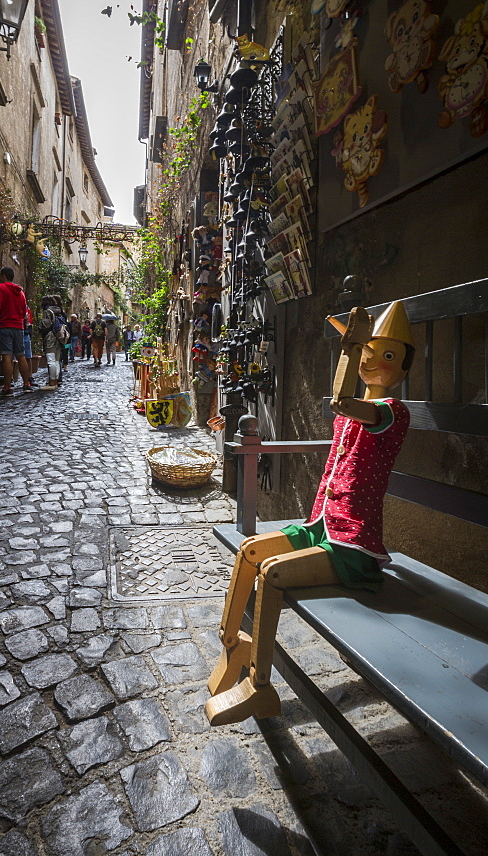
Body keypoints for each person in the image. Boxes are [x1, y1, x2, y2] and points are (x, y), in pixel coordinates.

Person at [205, 302, 416, 726]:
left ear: (404, 366)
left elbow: (340, 402)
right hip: (320, 525)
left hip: (351, 544)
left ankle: (260, 689)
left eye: (386, 355)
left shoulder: (392, 412)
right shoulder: (360, 409)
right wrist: (354, 347)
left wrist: (350, 348)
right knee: (249, 550)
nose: (373, 360)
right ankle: (233, 647)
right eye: (369, 352)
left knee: (273, 573)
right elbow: (345, 408)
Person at [0, 267, 33, 395]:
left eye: (0, 276)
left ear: (3, 276)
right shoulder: (21, 292)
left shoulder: (0, 288)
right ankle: (26, 384)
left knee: (7, 355)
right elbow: (24, 312)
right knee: (21, 355)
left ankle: (7, 387)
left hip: (4, 325)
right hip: (18, 327)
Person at [39, 295, 65, 391]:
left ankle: (52, 381)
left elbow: (46, 325)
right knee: (57, 360)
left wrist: (41, 331)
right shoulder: (59, 311)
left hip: (50, 337)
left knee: (51, 360)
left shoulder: (47, 312)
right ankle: (56, 379)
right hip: (59, 337)